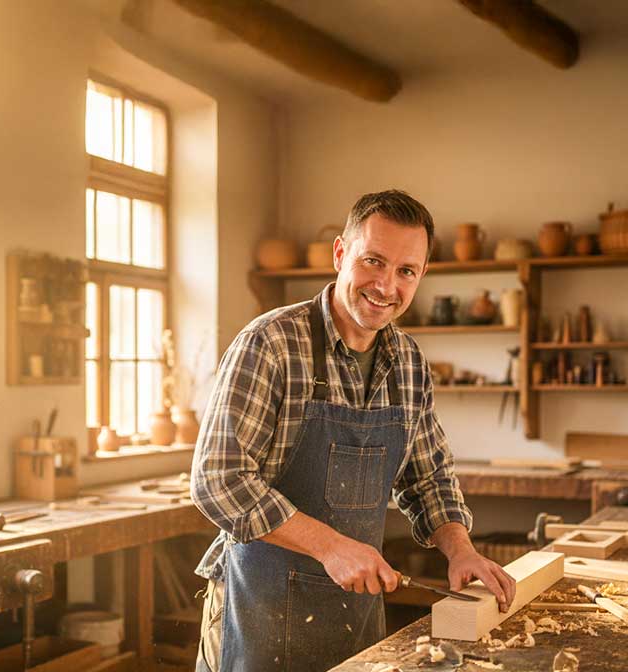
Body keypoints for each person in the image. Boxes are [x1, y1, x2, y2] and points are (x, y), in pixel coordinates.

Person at [190, 190, 516, 672]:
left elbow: (429, 479)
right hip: (257, 608)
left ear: (421, 275)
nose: (386, 286)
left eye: (406, 270)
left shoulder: (408, 362)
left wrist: (460, 549)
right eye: (373, 261)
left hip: (354, 613)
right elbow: (218, 480)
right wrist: (331, 546)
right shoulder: (271, 344)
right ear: (341, 254)